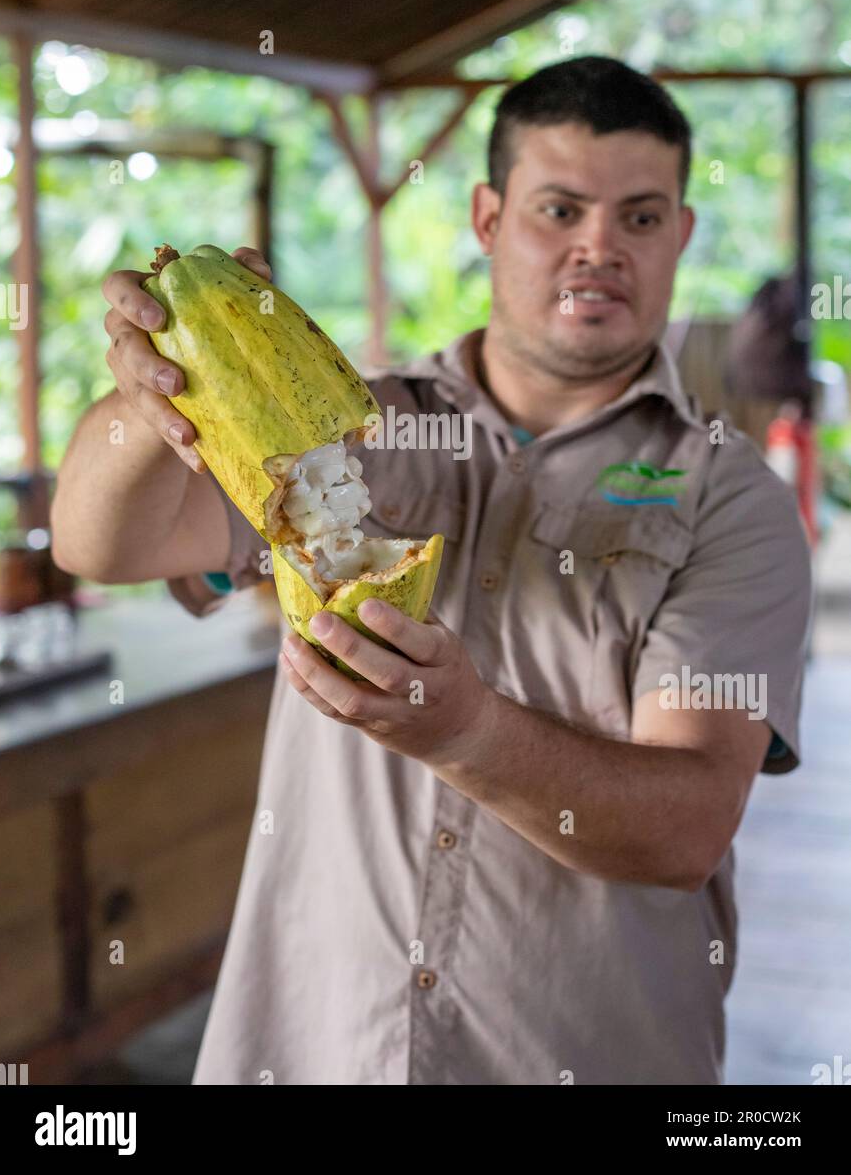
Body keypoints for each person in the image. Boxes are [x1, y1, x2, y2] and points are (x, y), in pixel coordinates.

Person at [52, 56, 812, 1085]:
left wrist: (463, 730)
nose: (597, 248)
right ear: (489, 219)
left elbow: (683, 829)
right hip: (313, 1052)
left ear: (677, 235)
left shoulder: (729, 495)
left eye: (638, 217)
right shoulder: (346, 423)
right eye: (559, 208)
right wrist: (150, 404)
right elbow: (102, 544)